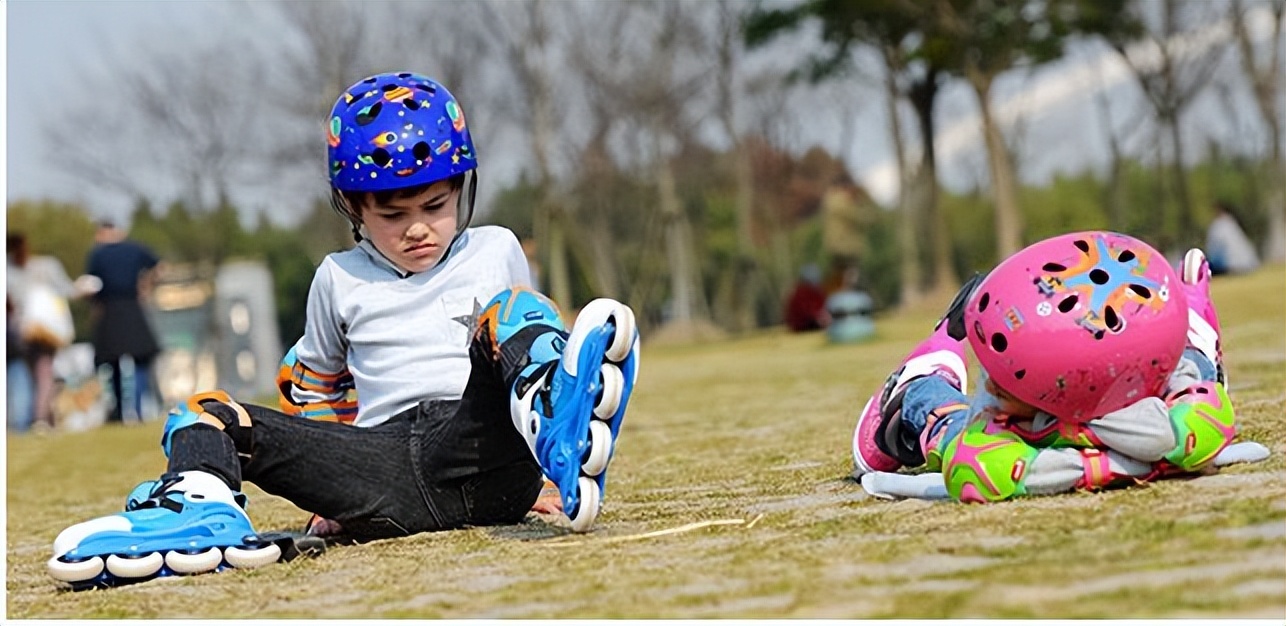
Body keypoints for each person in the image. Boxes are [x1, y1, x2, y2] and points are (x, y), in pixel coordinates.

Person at [48, 72, 641, 588]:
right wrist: (329, 486)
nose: (417, 229)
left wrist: (537, 477)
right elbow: (313, 385)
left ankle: (558, 436)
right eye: (393, 214)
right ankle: (198, 513)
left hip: (481, 451)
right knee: (205, 413)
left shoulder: (495, 248)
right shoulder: (337, 277)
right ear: (353, 206)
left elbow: (511, 353)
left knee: (514, 313)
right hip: (380, 470)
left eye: (435, 206)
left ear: (463, 187)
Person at [850, 231, 1245, 502]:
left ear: (1075, 387)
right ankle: (918, 389)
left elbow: (1207, 421)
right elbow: (974, 465)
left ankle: (920, 388)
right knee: (969, 431)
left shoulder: (1157, 397)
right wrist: (1108, 459)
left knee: (1189, 369)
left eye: (1003, 381)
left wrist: (1080, 440)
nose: (989, 386)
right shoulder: (1004, 411)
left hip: (1134, 384)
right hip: (1072, 407)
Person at [85, 221, 163, 424]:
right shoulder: (135, 248)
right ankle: (138, 410)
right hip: (132, 307)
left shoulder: (98, 254)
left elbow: (91, 286)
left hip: (109, 311)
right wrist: (146, 287)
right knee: (140, 361)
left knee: (112, 364)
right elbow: (158, 266)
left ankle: (120, 412)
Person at [7, 233, 84, 431]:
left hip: (19, 332)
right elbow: (68, 290)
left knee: (31, 374)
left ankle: (39, 418)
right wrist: (84, 287)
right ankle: (40, 418)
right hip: (44, 330)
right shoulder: (46, 266)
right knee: (44, 374)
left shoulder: (8, 271)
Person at [1205, 201, 1260, 276]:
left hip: (1229, 266)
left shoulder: (1219, 225)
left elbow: (1215, 252)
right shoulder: (1231, 223)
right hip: (1246, 264)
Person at [784, 263, 829, 332]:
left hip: (810, 322)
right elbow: (808, 312)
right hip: (803, 324)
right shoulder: (801, 293)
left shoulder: (816, 291)